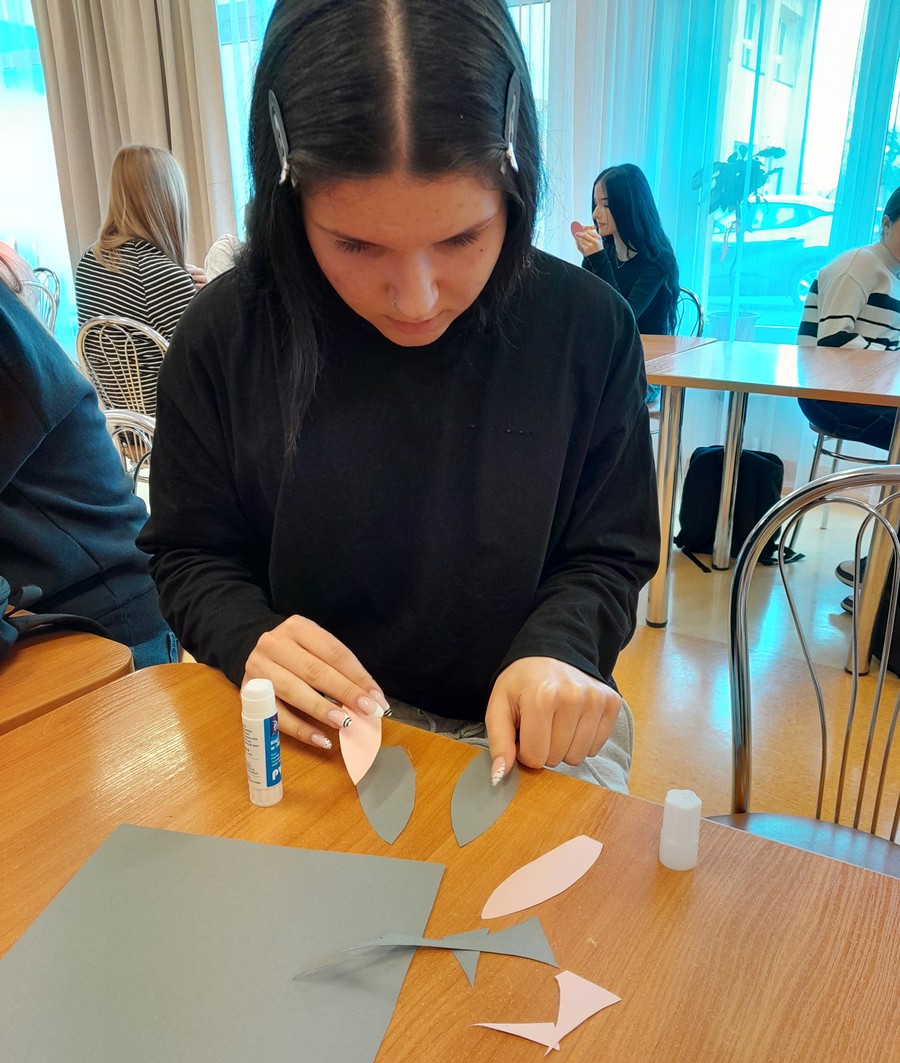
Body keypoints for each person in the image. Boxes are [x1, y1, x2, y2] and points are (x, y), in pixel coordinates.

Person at [139, 0, 660, 792]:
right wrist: (248, 636)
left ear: (516, 184)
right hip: (311, 725)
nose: (415, 300)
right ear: (289, 196)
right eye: (355, 243)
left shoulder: (588, 331)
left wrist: (561, 649)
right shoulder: (225, 336)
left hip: (527, 733)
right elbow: (187, 551)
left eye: (461, 238)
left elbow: (610, 552)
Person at [0, 280, 177, 668]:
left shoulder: (89, 269)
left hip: (97, 611)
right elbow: (179, 346)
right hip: (143, 423)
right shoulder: (161, 276)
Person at [796, 186, 900, 608]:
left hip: (867, 393)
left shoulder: (891, 273)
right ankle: (881, 580)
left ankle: (885, 575)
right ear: (886, 224)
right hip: (832, 395)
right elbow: (833, 342)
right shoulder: (861, 265)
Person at [75, 145, 206, 341]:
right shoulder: (167, 278)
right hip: (163, 364)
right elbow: (208, 355)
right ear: (170, 201)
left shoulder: (88, 261)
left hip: (97, 364)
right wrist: (207, 301)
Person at [571, 163, 680, 336]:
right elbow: (585, 305)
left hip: (647, 348)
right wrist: (589, 259)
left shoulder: (658, 260)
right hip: (608, 345)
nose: (595, 214)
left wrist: (597, 258)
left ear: (629, 206)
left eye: (606, 205)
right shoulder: (606, 248)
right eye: (595, 203)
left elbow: (623, 320)